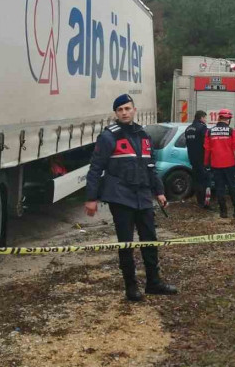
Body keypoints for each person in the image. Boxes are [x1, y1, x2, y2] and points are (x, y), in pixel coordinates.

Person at [84, 94, 177, 302]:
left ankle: (154, 283)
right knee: (125, 243)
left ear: (134, 110)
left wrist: (159, 191)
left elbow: (151, 166)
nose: (124, 112)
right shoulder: (109, 136)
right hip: (120, 196)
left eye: (127, 108)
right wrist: (91, 198)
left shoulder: (143, 135)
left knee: (150, 240)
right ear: (116, 113)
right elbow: (95, 168)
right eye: (120, 110)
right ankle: (131, 287)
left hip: (143, 196)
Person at [204, 109, 235, 219]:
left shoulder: (209, 132)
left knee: (219, 188)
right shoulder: (231, 131)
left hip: (216, 165)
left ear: (219, 118)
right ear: (228, 119)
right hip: (230, 164)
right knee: (232, 187)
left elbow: (207, 150)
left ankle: (223, 212)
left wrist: (206, 163)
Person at [184, 110, 210, 209]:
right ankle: (205, 202)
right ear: (201, 118)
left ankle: (199, 201)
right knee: (205, 181)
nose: (205, 120)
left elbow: (188, 143)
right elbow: (206, 143)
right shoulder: (202, 128)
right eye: (205, 118)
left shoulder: (188, 129)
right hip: (202, 158)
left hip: (192, 158)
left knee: (197, 180)